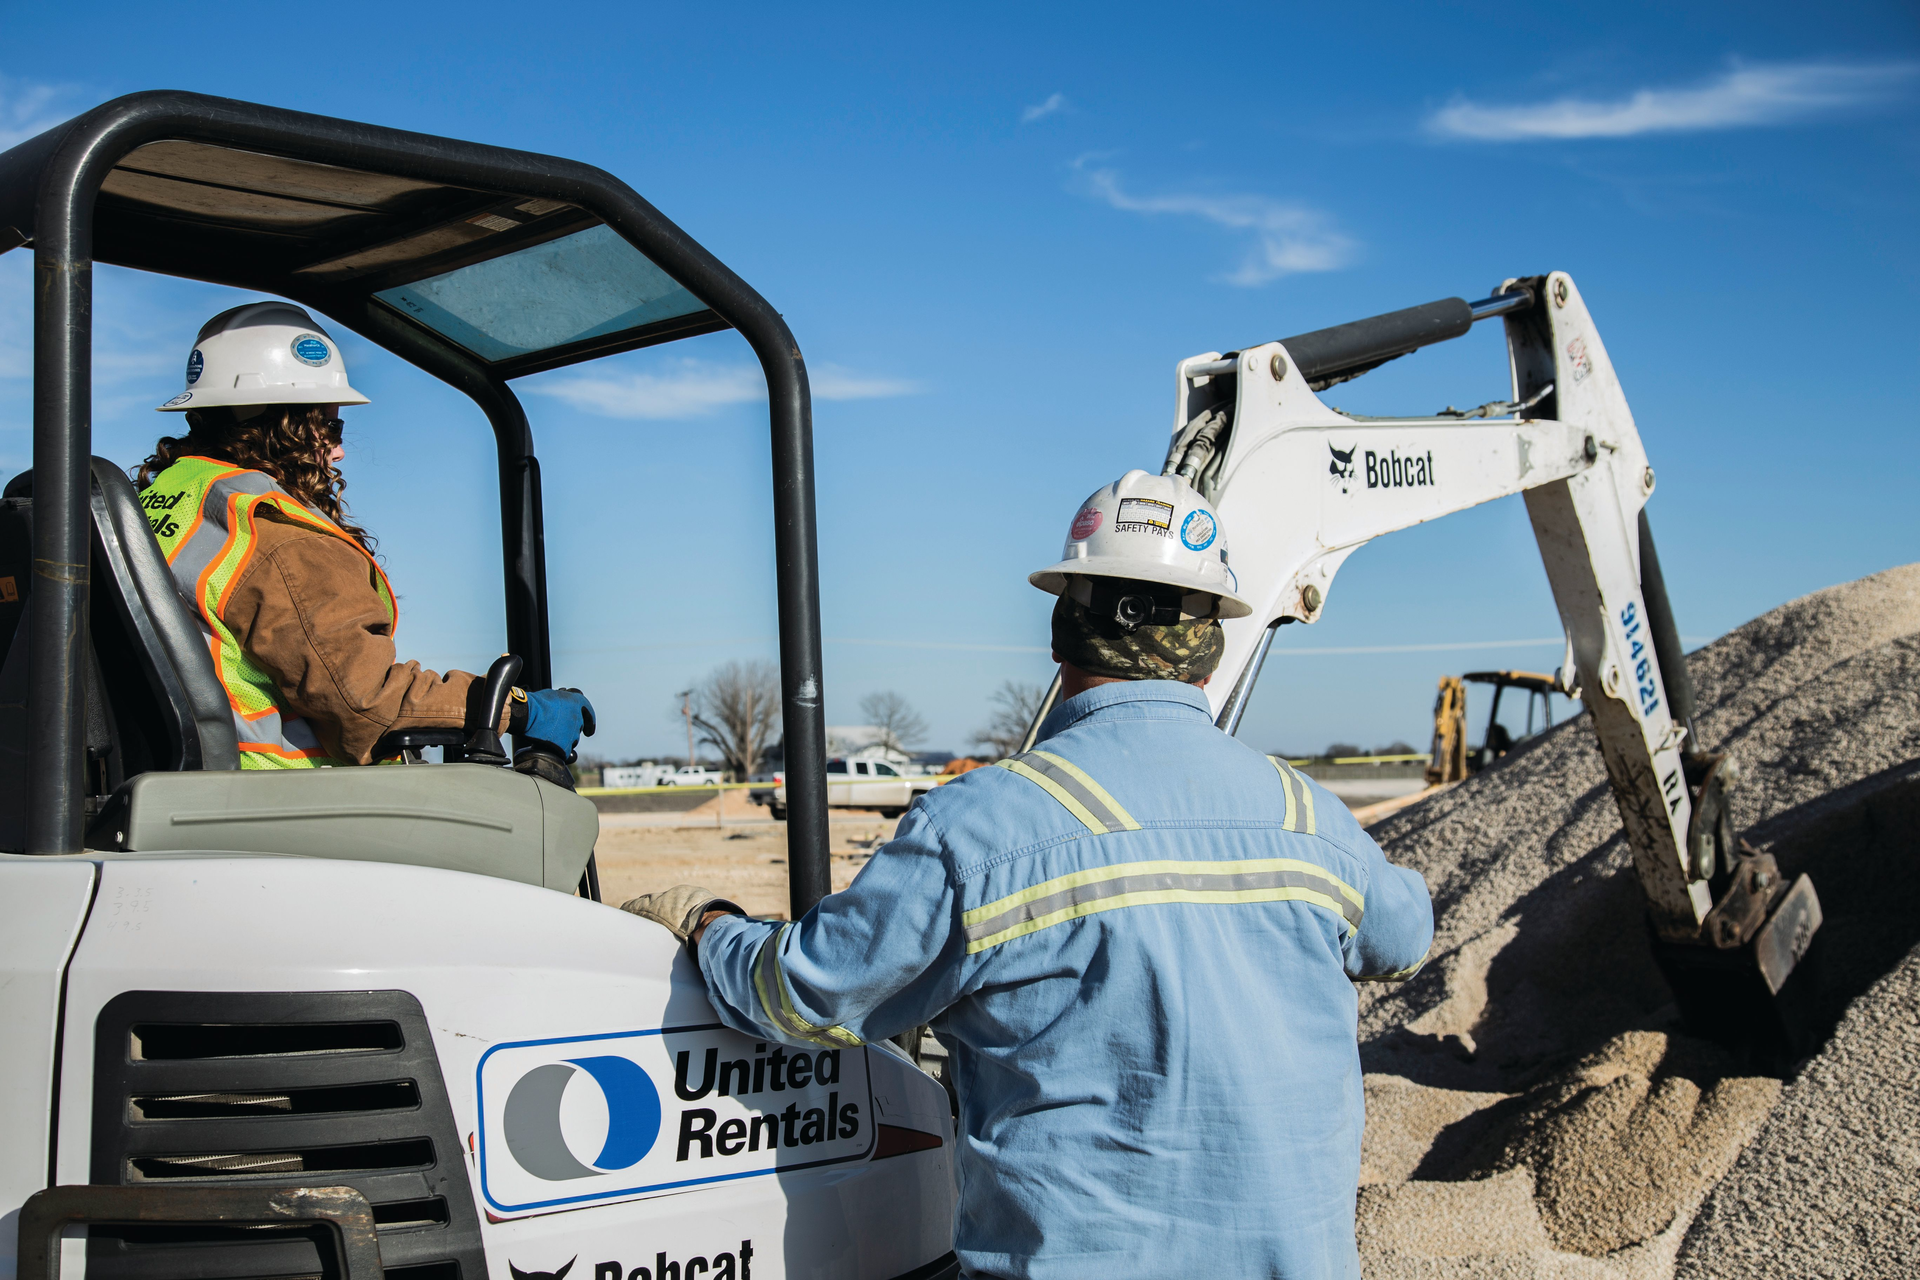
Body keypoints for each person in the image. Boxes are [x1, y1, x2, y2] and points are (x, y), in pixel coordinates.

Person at [623, 470, 1434, 1279]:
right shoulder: (1309, 816)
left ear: (1061, 633)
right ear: (1210, 647)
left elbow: (805, 995)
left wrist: (708, 924)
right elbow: (1404, 937)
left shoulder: (979, 828)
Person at [140, 301, 592, 768]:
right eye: (329, 425)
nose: (337, 451)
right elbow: (367, 705)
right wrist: (520, 710)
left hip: (180, 781)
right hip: (275, 793)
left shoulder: (161, 501)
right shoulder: (275, 536)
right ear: (281, 422)